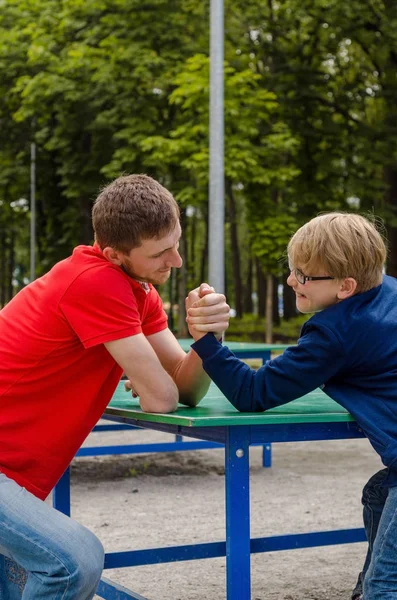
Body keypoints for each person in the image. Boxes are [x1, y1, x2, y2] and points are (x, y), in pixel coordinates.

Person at [0, 173, 230, 600]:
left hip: (17, 476)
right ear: (113, 254)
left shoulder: (137, 291)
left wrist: (208, 338)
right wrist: (152, 382)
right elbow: (162, 399)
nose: (176, 261)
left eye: (176, 243)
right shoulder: (94, 280)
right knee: (74, 561)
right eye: (161, 252)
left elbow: (184, 389)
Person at [186, 212, 397, 600]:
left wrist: (206, 341)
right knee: (379, 494)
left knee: (386, 588)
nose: (290, 281)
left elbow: (253, 392)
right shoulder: (390, 292)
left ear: (346, 286)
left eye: (303, 275)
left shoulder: (335, 332)